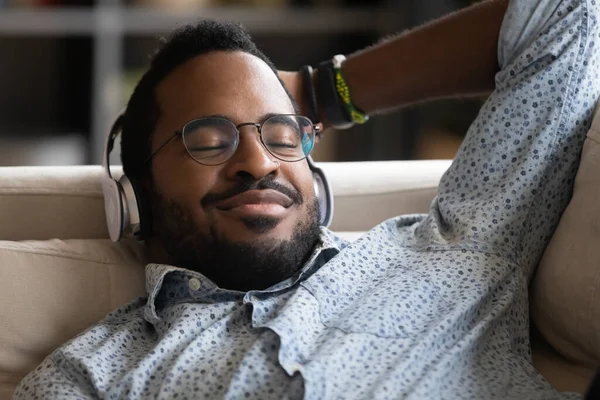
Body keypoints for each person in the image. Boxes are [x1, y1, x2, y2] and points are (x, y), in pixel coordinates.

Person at [13, 0, 599, 398]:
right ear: (136, 193)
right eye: (209, 141)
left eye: (283, 134)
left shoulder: (458, 245)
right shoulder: (91, 376)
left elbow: (570, 15)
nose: (260, 161)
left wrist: (319, 90)